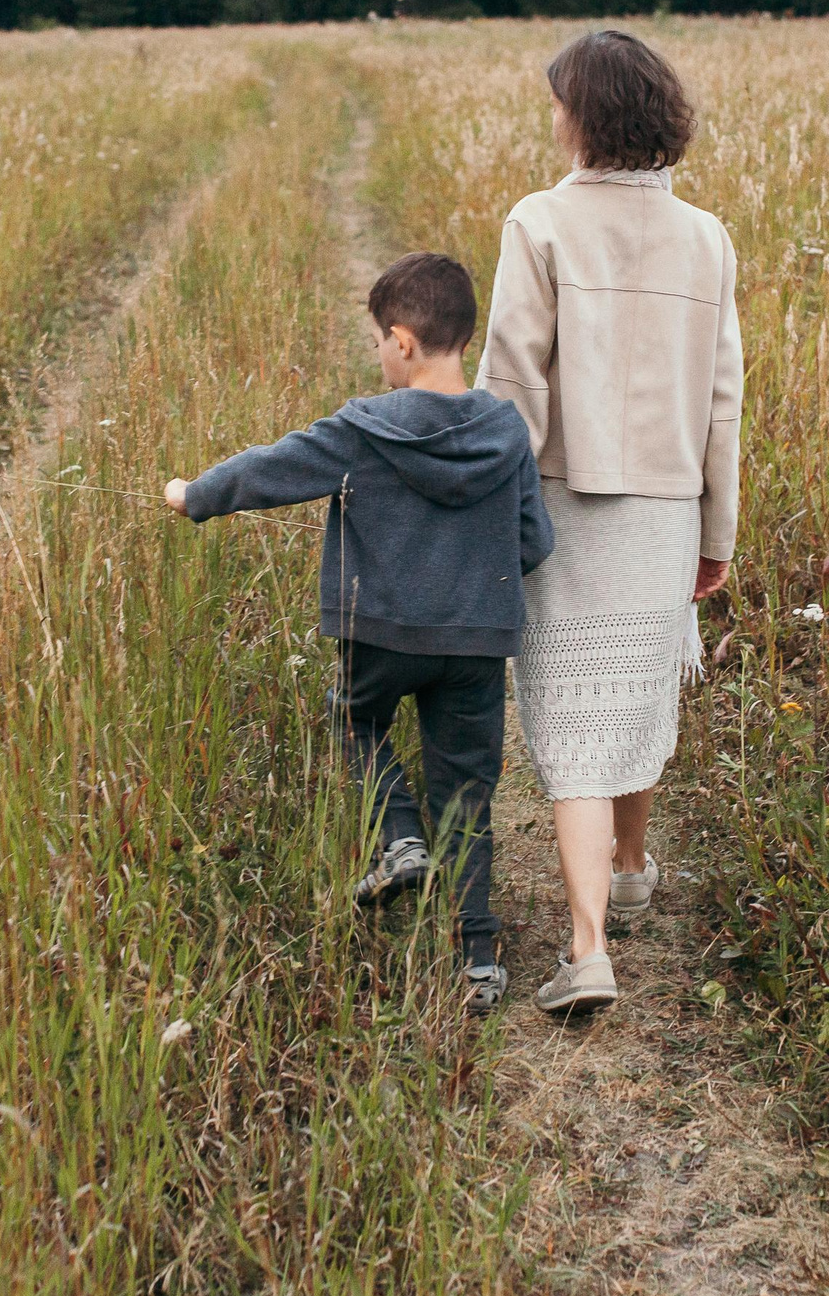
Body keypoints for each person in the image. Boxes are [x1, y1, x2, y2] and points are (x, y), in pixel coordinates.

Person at [164, 252, 553, 1016]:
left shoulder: (364, 428)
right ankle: (477, 959)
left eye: (379, 338)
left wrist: (196, 495)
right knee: (468, 790)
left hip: (377, 634)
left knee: (358, 721)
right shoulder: (506, 431)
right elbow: (535, 543)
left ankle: (400, 839)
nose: (377, 353)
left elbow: (272, 468)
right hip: (475, 641)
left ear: (403, 342)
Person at [478, 29, 741, 1017]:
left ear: (586, 115)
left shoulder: (537, 224)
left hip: (563, 502)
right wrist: (718, 533)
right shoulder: (705, 237)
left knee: (569, 719)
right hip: (666, 507)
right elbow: (724, 401)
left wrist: (490, 512)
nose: (552, 119)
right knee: (632, 693)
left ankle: (588, 943)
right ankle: (630, 863)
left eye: (558, 103)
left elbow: (509, 386)